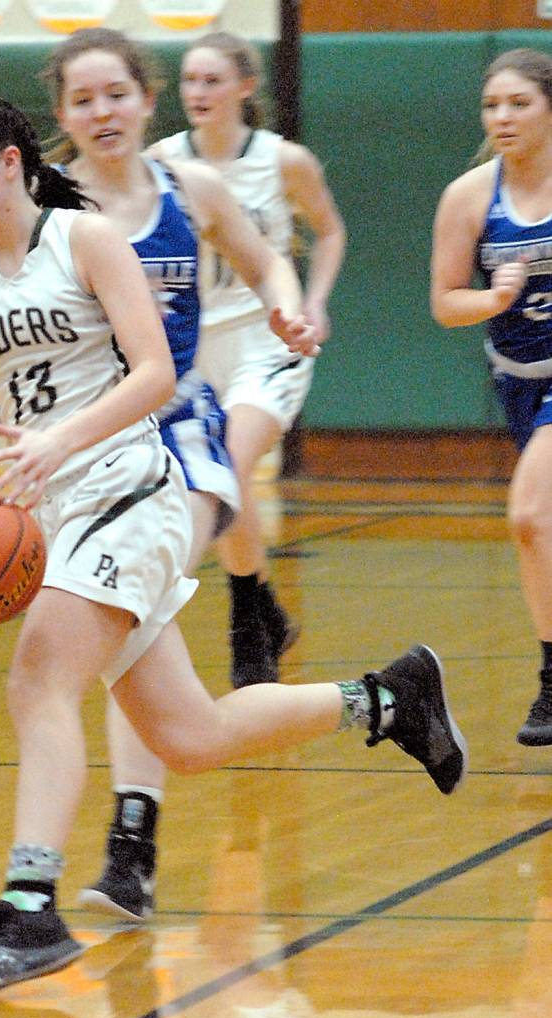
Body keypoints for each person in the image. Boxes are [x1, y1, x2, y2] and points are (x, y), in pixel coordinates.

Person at [0, 92, 467, 1004]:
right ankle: (389, 699)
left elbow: (155, 374)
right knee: (189, 737)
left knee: (38, 678)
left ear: (10, 162)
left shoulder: (86, 241)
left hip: (132, 490)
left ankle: (32, 909)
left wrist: (58, 440)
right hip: (58, 514)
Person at [41, 27, 342, 922]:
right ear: (61, 116)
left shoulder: (191, 187)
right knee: (141, 664)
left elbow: (266, 262)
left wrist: (286, 312)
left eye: (115, 95)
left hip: (182, 438)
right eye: (81, 100)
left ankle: (129, 847)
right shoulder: (46, 207)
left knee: (120, 621)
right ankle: (378, 700)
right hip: (89, 453)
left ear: (146, 99)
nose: (101, 112)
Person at [151, 31, 346, 690]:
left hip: (269, 335)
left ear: (243, 87)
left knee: (228, 462)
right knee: (214, 476)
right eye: (188, 81)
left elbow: (330, 230)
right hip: (194, 346)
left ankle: (246, 628)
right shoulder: (160, 163)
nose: (197, 93)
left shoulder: (283, 161)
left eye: (210, 80)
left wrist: (312, 300)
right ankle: (265, 609)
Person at [431, 47, 552, 748]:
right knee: (542, 529)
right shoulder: (469, 196)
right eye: (490, 106)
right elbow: (445, 303)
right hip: (515, 379)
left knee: (529, 516)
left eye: (518, 103)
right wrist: (495, 297)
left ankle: (547, 676)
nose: (501, 117)